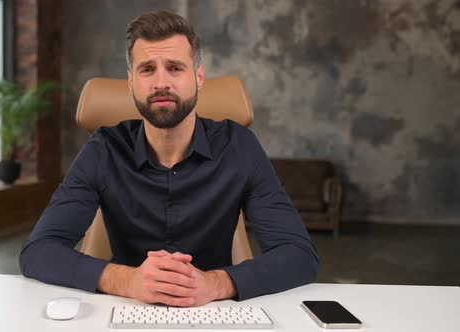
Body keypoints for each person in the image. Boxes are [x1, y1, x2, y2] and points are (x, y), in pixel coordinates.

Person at [20, 10, 319, 307]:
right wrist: (128, 280)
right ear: (131, 82)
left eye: (175, 68)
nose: (161, 82)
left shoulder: (239, 146)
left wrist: (214, 283)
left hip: (214, 311)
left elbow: (299, 255)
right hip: (125, 309)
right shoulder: (103, 149)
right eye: (147, 69)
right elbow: (38, 251)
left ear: (199, 77)